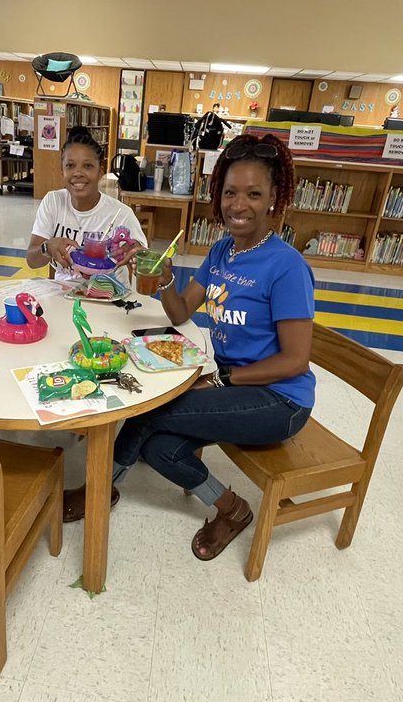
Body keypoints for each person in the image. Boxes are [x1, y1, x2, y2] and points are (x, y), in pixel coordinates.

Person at [63, 133, 316, 561]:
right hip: (232, 384)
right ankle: (231, 508)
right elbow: (181, 313)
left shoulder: (287, 266)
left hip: (279, 400)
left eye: (254, 194)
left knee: (153, 410)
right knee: (159, 448)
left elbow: (295, 360)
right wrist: (162, 278)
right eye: (230, 193)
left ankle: (99, 490)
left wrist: (223, 379)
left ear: (274, 197)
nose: (239, 205)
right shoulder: (222, 251)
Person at [27, 126, 147, 282]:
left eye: (88, 166)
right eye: (70, 166)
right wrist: (47, 247)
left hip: (108, 297)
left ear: (100, 171)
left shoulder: (122, 215)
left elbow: (145, 268)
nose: (78, 173)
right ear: (62, 171)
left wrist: (137, 257)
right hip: (63, 295)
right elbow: (32, 260)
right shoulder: (53, 202)